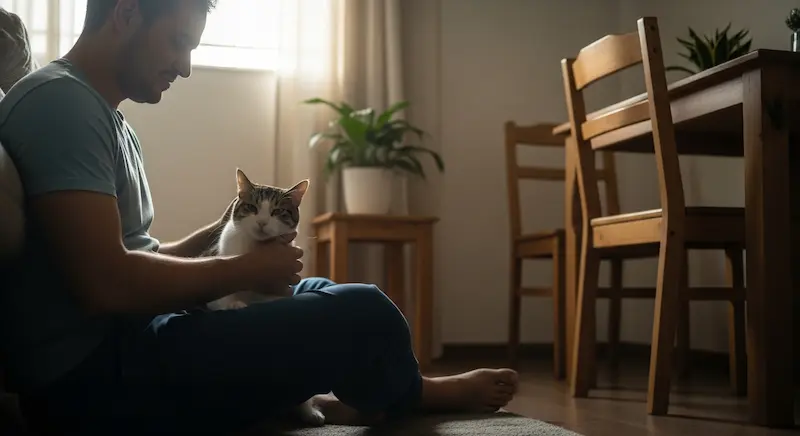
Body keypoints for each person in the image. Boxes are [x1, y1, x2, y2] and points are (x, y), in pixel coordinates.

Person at [0, 0, 518, 434]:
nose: (183, 67)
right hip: (95, 382)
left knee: (318, 289)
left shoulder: (100, 114)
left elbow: (138, 259)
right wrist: (240, 272)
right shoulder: (61, 106)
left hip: (137, 337)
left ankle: (339, 394)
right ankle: (412, 393)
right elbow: (106, 285)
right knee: (364, 310)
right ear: (127, 14)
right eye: (177, 43)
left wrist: (223, 232)